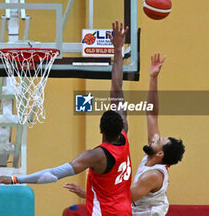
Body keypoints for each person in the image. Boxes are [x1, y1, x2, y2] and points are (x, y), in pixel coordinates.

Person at [0, 20, 132, 216]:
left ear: (100, 130)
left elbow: (52, 175)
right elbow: (118, 88)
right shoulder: (124, 137)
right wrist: (118, 50)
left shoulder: (96, 155)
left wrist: (14, 180)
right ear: (121, 126)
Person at [64, 53, 185, 216]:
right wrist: (153, 77)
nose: (155, 137)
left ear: (160, 153)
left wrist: (85, 194)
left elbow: (121, 197)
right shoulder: (153, 156)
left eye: (159, 140)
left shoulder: (153, 176)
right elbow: (151, 114)